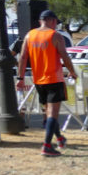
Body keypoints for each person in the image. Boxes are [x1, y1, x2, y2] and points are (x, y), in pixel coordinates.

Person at [16, 10, 78, 156]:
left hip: (38, 80)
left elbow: (23, 57)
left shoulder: (29, 35)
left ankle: (60, 138)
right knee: (53, 113)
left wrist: (20, 78)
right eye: (56, 23)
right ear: (52, 21)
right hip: (54, 79)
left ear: (40, 21)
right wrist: (72, 72)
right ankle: (47, 146)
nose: (56, 25)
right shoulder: (55, 35)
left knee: (48, 112)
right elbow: (65, 56)